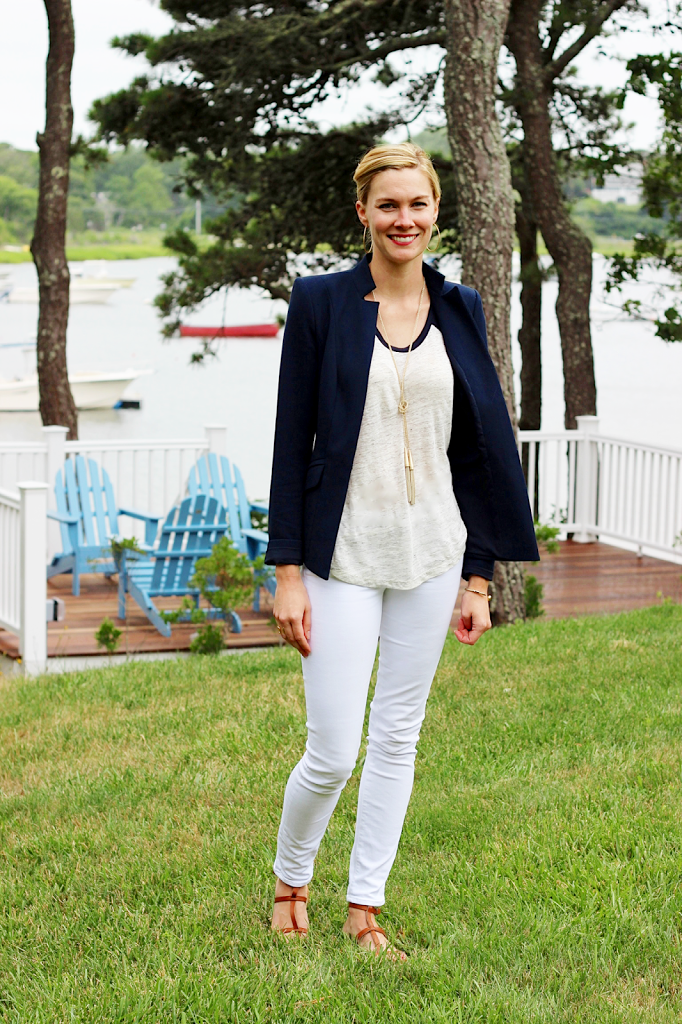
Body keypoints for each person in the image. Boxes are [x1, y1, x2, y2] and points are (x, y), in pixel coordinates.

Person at [265, 143, 538, 958]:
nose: (404, 219)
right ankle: (289, 877)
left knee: (398, 736)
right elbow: (289, 442)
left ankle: (364, 906)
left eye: (417, 204)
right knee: (334, 749)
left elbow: (481, 450)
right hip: (340, 556)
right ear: (363, 213)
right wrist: (286, 574)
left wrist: (478, 577)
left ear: (435, 211)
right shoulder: (320, 303)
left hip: (434, 553)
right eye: (388, 205)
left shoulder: (462, 307)